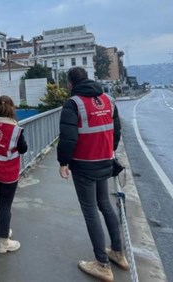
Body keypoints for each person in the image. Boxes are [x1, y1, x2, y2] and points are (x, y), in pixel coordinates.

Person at [57, 67, 127, 282]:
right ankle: (118, 252)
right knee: (105, 204)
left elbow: (68, 138)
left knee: (90, 211)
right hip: (105, 161)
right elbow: (116, 130)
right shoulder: (108, 100)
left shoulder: (73, 104)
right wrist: (109, 151)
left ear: (70, 84)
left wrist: (63, 162)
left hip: (84, 165)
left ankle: (102, 264)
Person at [0, 95, 28, 254]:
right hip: (9, 174)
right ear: (12, 108)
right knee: (5, 206)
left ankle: (4, 229)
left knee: (3, 202)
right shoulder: (16, 130)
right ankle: (3, 242)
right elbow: (23, 149)